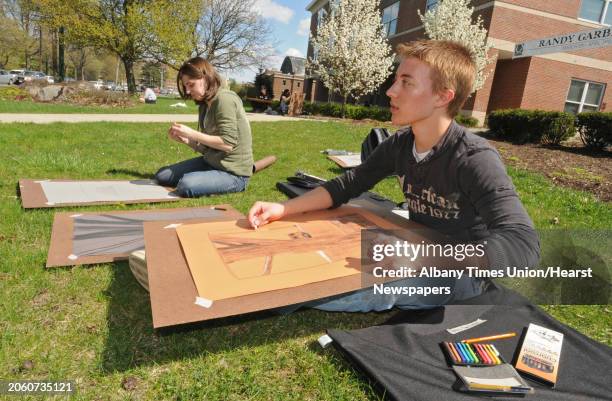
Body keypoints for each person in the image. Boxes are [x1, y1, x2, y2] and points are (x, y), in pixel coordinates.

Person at [247, 40, 540, 312]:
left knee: (376, 285)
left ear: (442, 96)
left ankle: (261, 294)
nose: (391, 90)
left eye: (406, 82)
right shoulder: (401, 144)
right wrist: (283, 208)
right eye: (396, 79)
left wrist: (421, 259)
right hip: (416, 245)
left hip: (462, 273)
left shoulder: (475, 158)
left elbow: (524, 245)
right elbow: (349, 184)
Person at [155, 57, 254, 197]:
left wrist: (191, 133)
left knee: (186, 185)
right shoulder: (204, 104)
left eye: (191, 84)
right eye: (185, 86)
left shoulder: (225, 99)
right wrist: (186, 140)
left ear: (205, 78)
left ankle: (235, 185)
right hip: (211, 163)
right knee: (162, 175)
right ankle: (208, 179)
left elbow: (227, 144)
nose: (188, 91)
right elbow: (208, 149)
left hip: (234, 173)